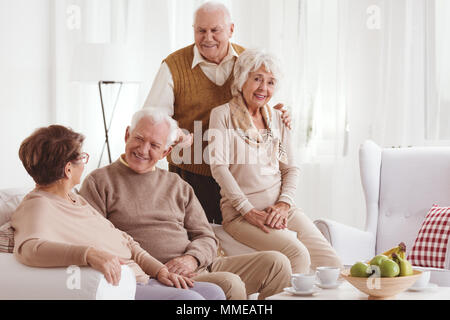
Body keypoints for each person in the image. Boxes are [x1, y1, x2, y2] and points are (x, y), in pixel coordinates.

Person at [79, 108, 291, 300]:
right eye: (139, 139)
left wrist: (192, 258)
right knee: (230, 284)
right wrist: (154, 269)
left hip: (200, 265)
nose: (143, 150)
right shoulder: (99, 182)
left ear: (166, 152)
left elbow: (206, 236)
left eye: (154, 145)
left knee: (277, 263)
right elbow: (95, 239)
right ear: (127, 135)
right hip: (159, 275)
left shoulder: (176, 184)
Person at [11, 125, 225, 300]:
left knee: (214, 293)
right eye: (82, 158)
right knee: (189, 301)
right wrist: (88, 254)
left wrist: (160, 271)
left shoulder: (77, 200)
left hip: (145, 277)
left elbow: (127, 242)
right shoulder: (37, 205)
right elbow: (29, 249)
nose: (84, 164)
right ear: (68, 169)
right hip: (122, 287)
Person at [143, 1, 291, 224]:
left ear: (231, 29)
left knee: (240, 244)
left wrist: (280, 113)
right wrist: (177, 135)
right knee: (196, 240)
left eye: (215, 30)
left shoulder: (250, 60)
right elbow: (153, 119)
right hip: (190, 173)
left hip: (242, 176)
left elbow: (263, 98)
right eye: (201, 30)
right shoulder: (173, 66)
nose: (207, 37)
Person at [207, 49, 343, 274]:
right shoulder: (221, 115)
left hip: (281, 208)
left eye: (270, 82)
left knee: (333, 265)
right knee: (298, 254)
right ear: (242, 80)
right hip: (241, 216)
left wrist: (284, 204)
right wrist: (247, 210)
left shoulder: (278, 118)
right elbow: (219, 168)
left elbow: (290, 168)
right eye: (257, 79)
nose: (263, 88)